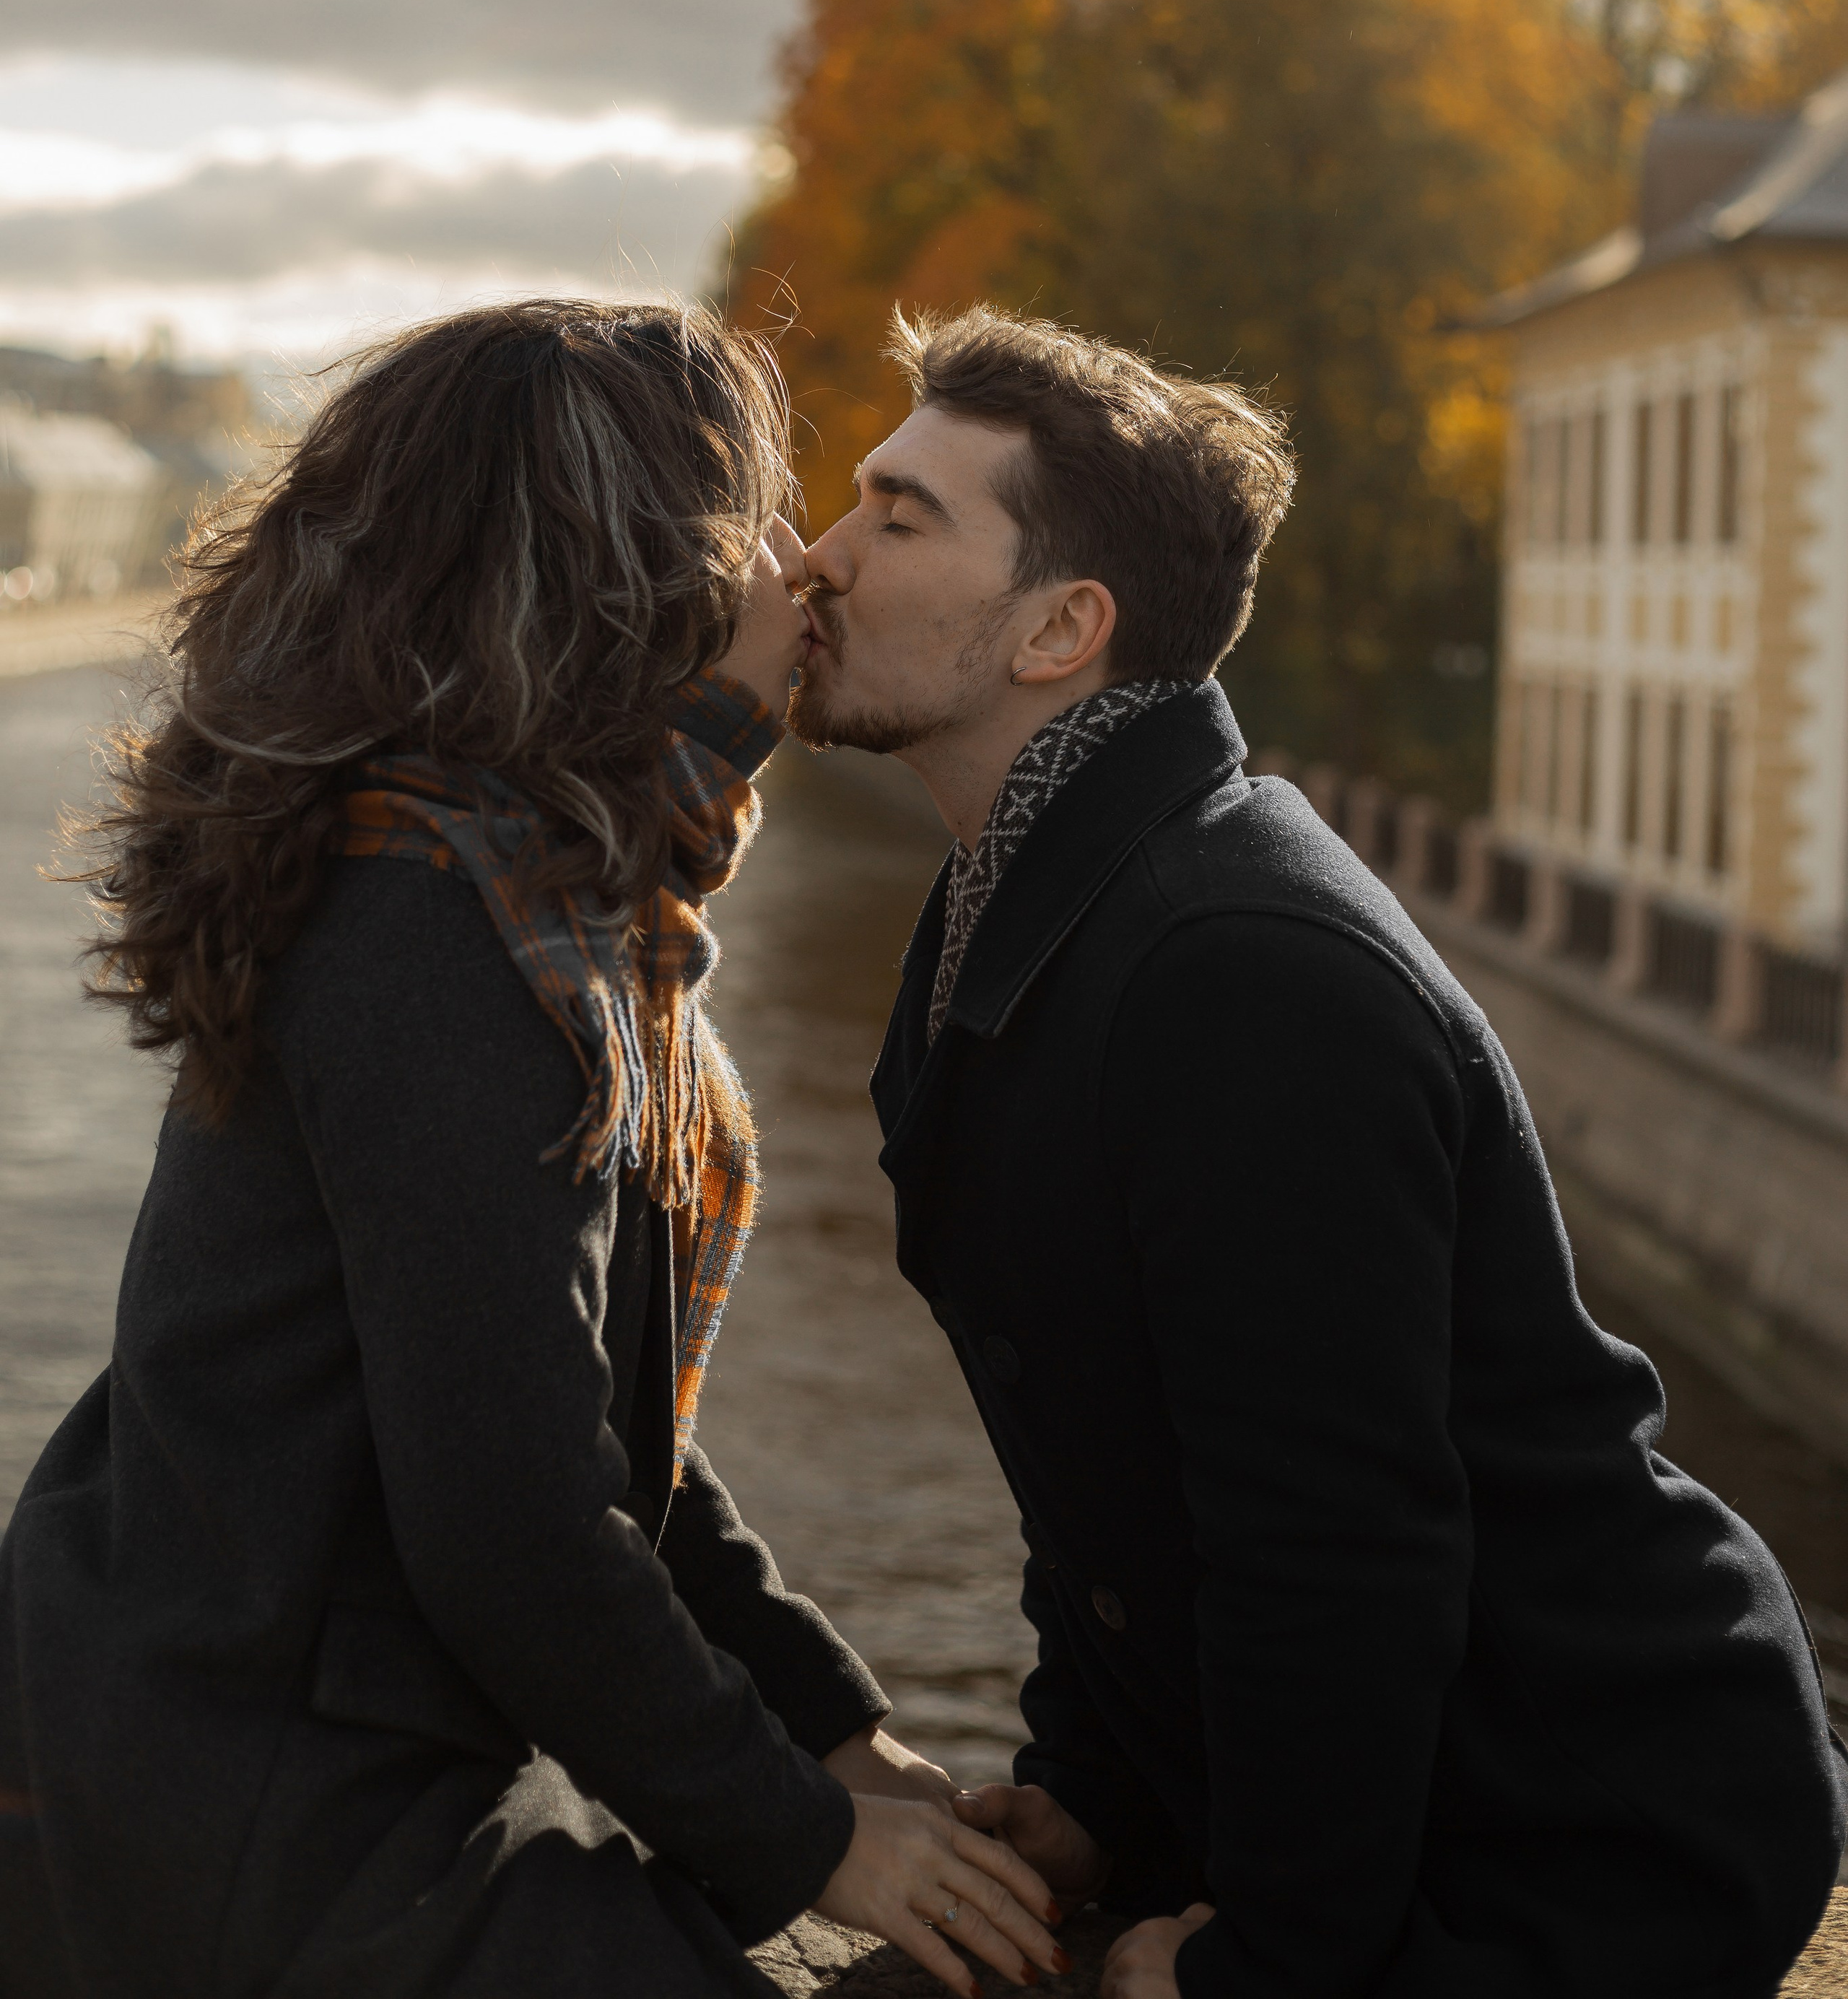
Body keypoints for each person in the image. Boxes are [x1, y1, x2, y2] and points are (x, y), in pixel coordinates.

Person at [0, 300, 1067, 1999]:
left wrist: (843, 1747)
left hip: (252, 1759)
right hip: (246, 1828)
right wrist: (807, 1840)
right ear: (630, 577)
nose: (797, 571)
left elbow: (586, 1420)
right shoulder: (444, 931)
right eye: (749, 523)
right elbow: (512, 1522)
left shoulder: (531, 897)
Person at [791, 302, 1848, 1999]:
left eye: (896, 517)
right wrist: (1089, 1801)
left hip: (1573, 1842)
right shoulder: (1025, 914)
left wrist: (1261, 1968)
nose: (817, 556)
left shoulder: (1234, 972)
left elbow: (1333, 1546)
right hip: (1358, 1803)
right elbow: (1100, 1472)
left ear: (1061, 628)